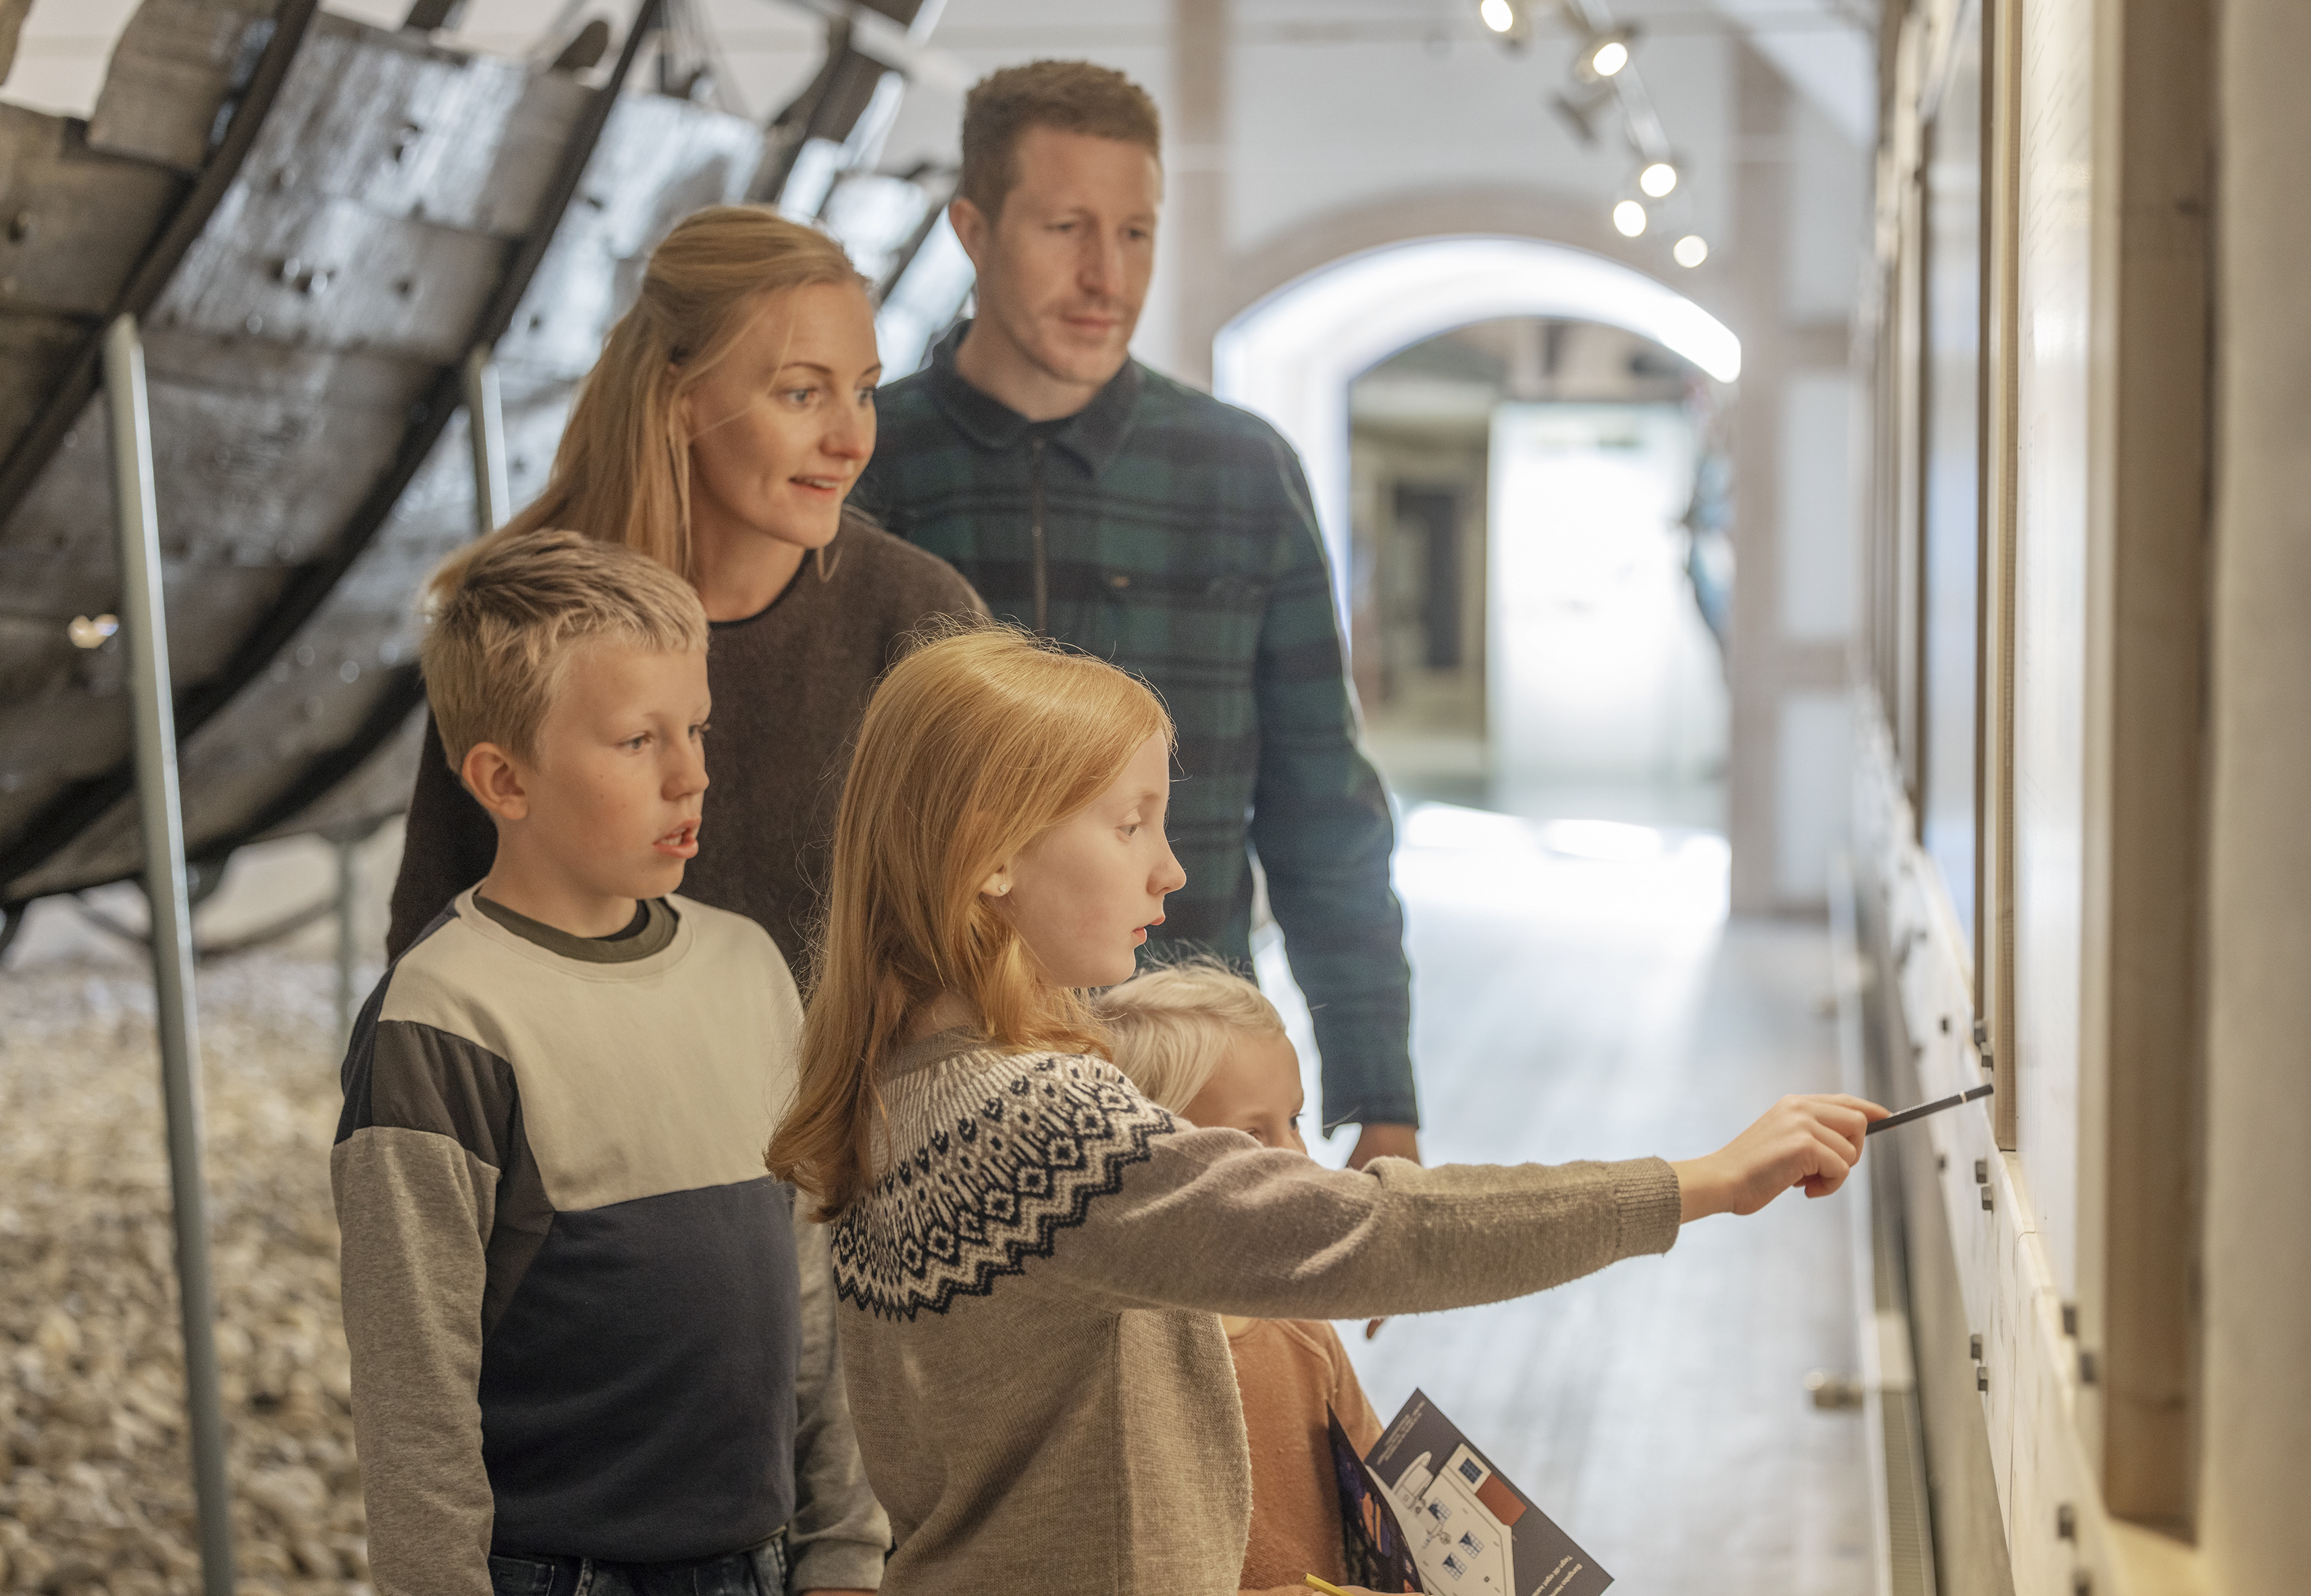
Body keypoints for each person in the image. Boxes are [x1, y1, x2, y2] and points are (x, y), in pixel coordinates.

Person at [767, 625, 1886, 1595]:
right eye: (1128, 823)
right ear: (991, 847)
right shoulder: (1034, 1122)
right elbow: (1375, 1232)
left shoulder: (894, 1091)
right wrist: (1697, 1182)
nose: (1168, 870)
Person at [850, 62, 1422, 1168]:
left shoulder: (1241, 469)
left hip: (1198, 1080)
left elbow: (1321, 805)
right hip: (937, 1083)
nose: (1103, 275)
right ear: (971, 229)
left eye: (1135, 233)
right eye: (1064, 226)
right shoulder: (867, 464)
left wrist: (1378, 1088)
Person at [334, 531, 886, 1596]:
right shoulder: (442, 1019)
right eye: (638, 740)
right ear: (504, 778)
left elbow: (813, 1285)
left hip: (771, 1561)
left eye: (695, 727)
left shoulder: (749, 966)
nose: (693, 772)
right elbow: (415, 1395)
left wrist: (843, 1550)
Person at [388, 206, 983, 968]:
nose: (851, 439)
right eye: (802, 393)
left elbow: (990, 924)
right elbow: (434, 932)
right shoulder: (525, 618)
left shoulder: (922, 615)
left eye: (863, 390)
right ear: (679, 395)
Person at [1094, 960, 1386, 1596]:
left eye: (1296, 1121)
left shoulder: (1302, 1330)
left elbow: (1386, 1495)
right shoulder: (1112, 1366)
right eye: (1254, 1132)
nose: (1295, 1155)